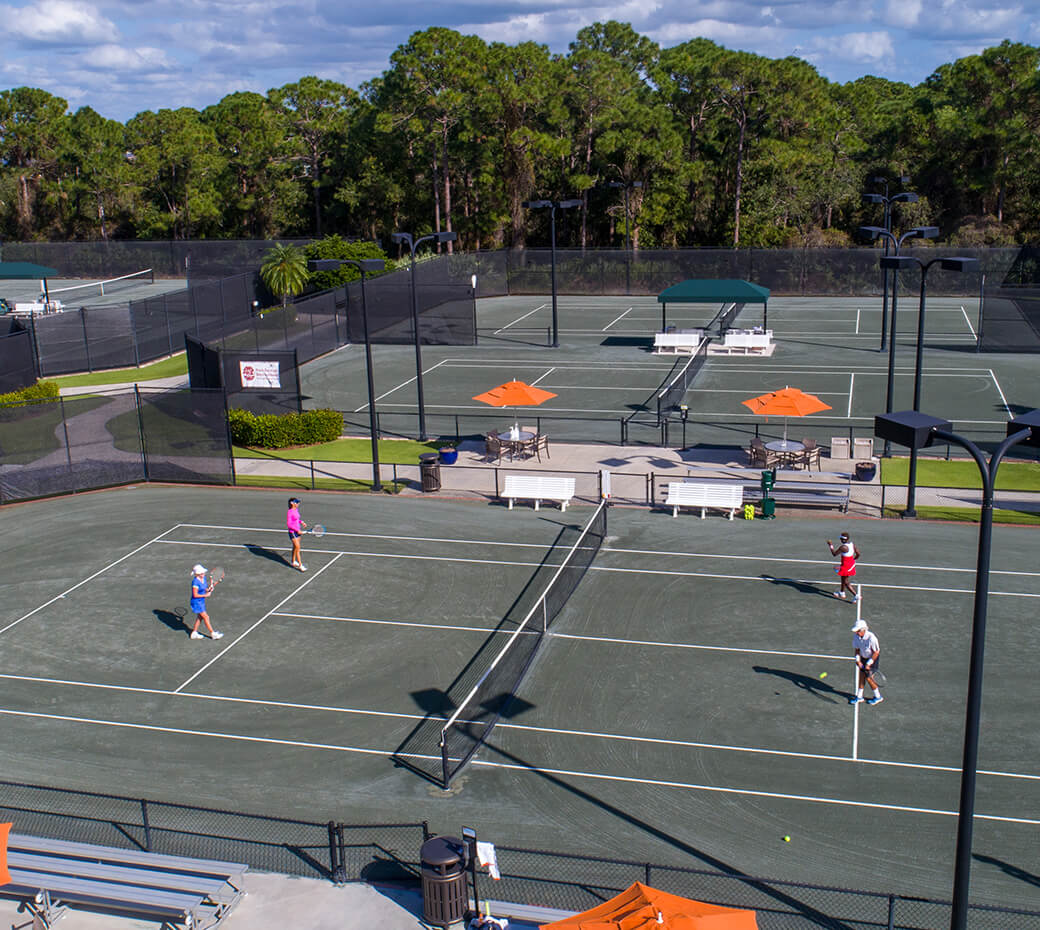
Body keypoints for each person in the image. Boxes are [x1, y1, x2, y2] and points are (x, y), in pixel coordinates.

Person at [850, 619, 882, 705]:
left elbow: (876, 652)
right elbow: (857, 649)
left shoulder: (872, 638)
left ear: (863, 630)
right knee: (861, 677)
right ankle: (859, 697)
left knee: (869, 678)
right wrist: (858, 660)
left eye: (858, 631)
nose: (856, 633)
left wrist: (869, 663)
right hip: (863, 658)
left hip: (872, 659)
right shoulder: (856, 636)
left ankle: (878, 697)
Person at [188, 565, 223, 640]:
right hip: (196, 602)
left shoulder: (203, 578)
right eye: (201, 573)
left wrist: (207, 590)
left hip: (201, 601)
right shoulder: (195, 582)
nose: (203, 574)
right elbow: (195, 594)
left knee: (200, 617)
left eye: (203, 572)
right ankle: (213, 633)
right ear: (197, 574)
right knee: (206, 617)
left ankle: (194, 633)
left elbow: (204, 589)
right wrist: (206, 595)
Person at [826, 532, 860, 602]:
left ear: (843, 540)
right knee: (843, 578)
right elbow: (858, 554)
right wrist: (854, 559)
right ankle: (842, 592)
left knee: (846, 582)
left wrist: (830, 545)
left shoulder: (843, 547)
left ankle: (856, 595)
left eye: (841, 538)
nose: (840, 540)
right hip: (850, 564)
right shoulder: (852, 544)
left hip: (846, 566)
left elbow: (834, 554)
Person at [286, 497, 308, 571]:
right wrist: (297, 530)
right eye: (296, 502)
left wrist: (301, 522)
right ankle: (300, 566)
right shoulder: (290, 512)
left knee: (295, 547)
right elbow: (289, 524)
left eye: (298, 502)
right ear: (292, 503)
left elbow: (296, 519)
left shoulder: (296, 510)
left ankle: (293, 561)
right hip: (293, 532)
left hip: (298, 531)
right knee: (298, 548)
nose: (298, 503)